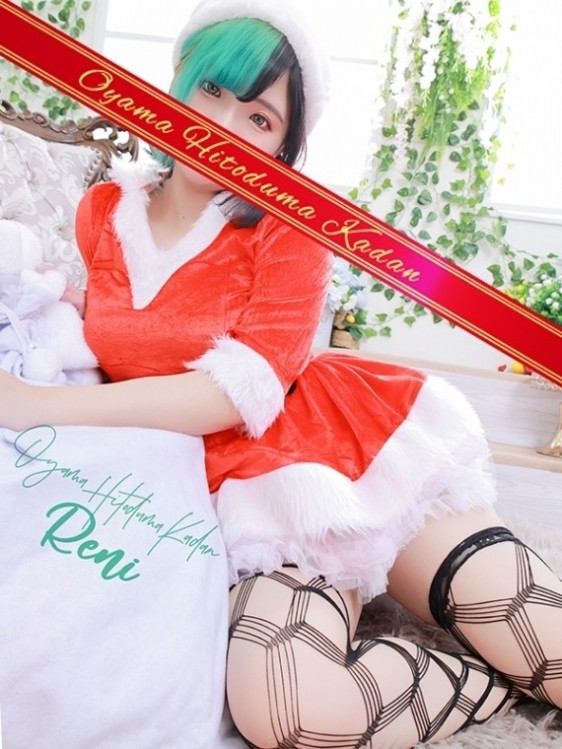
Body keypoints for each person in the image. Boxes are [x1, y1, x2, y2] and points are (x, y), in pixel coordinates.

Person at [0, 0, 561, 746]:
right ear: (177, 81)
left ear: (282, 146)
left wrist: (36, 406)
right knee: (286, 713)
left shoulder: (293, 228)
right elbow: (94, 333)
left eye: (259, 118)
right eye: (213, 91)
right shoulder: (103, 210)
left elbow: (233, 394)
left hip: (342, 449)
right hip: (226, 500)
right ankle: (487, 684)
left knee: (547, 646)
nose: (223, 126)